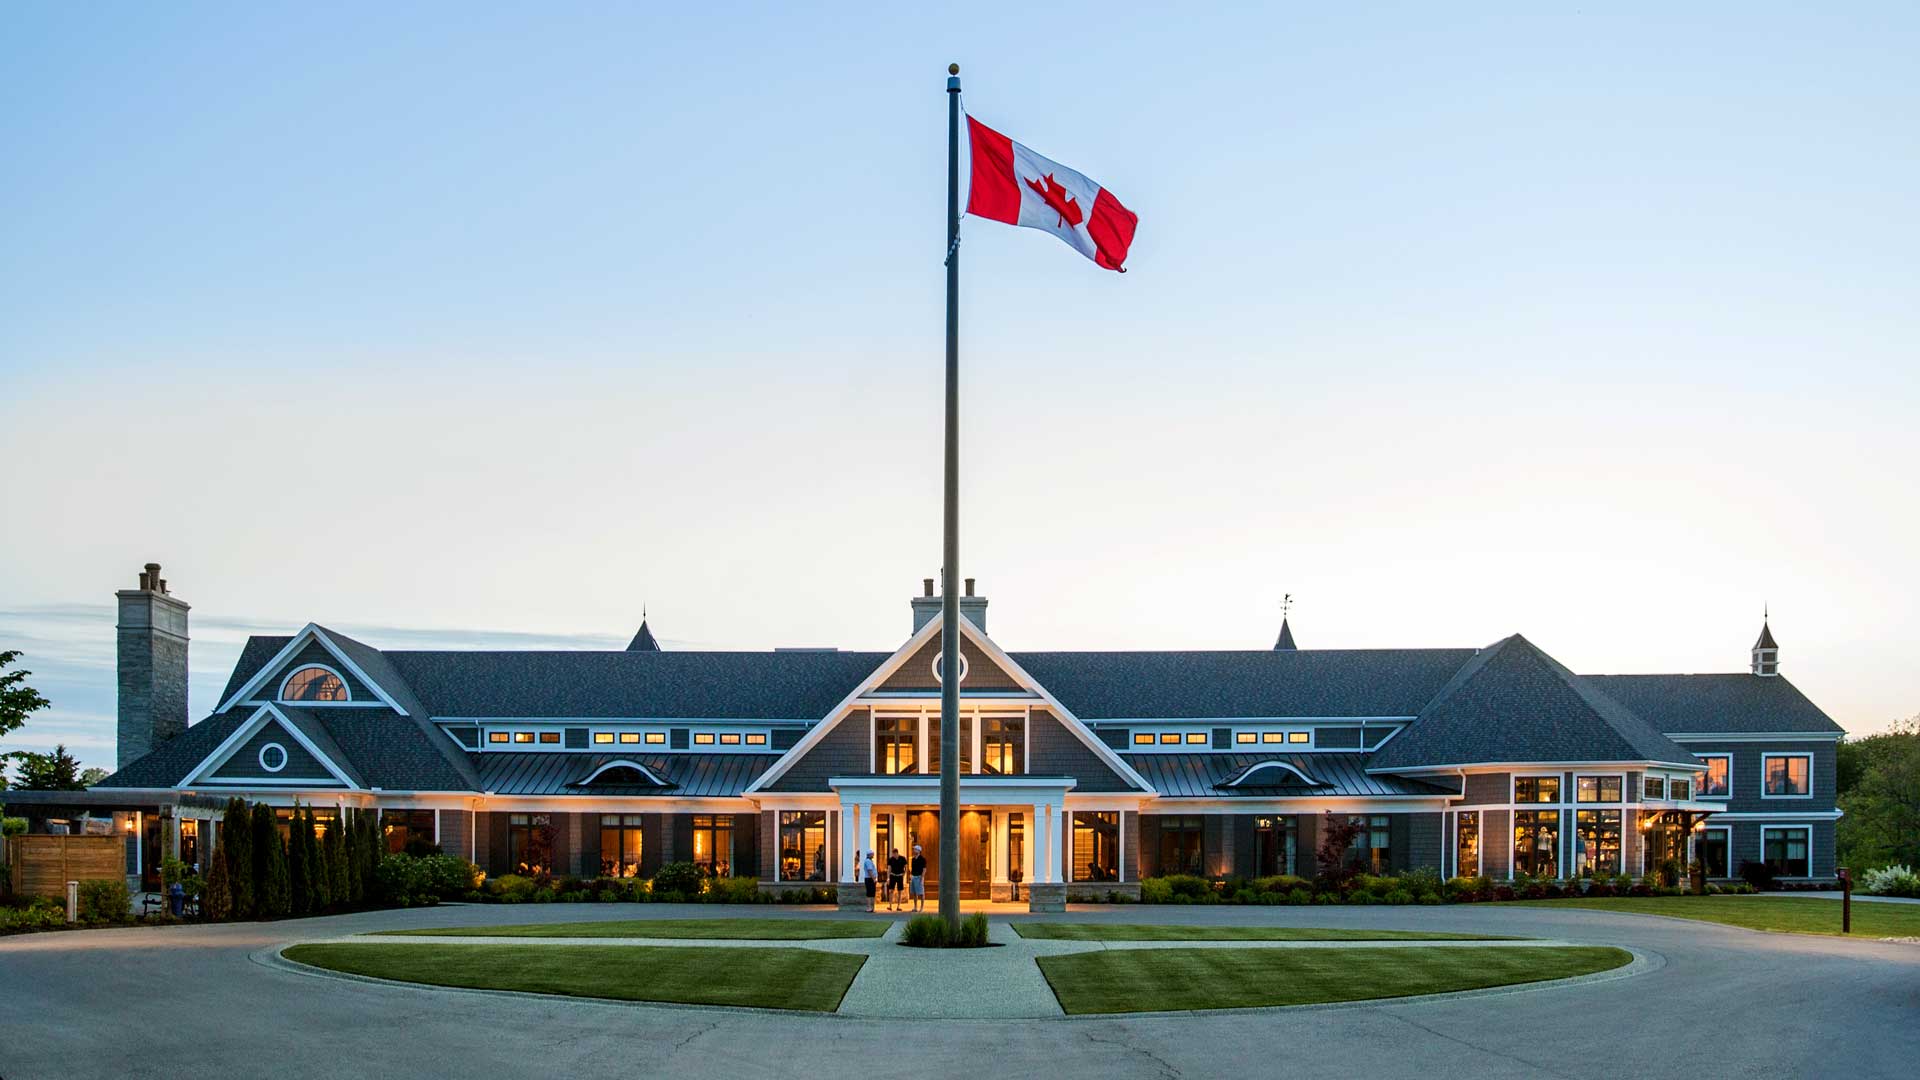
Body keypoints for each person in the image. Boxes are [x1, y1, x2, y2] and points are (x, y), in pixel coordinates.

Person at [909, 844, 927, 912]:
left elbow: (924, 869)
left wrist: (922, 878)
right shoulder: (913, 859)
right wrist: (911, 876)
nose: (914, 850)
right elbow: (912, 868)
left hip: (919, 877)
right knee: (914, 893)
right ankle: (915, 907)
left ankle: (922, 907)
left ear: (919, 851)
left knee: (921, 893)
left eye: (915, 849)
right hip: (913, 876)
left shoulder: (922, 859)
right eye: (914, 849)